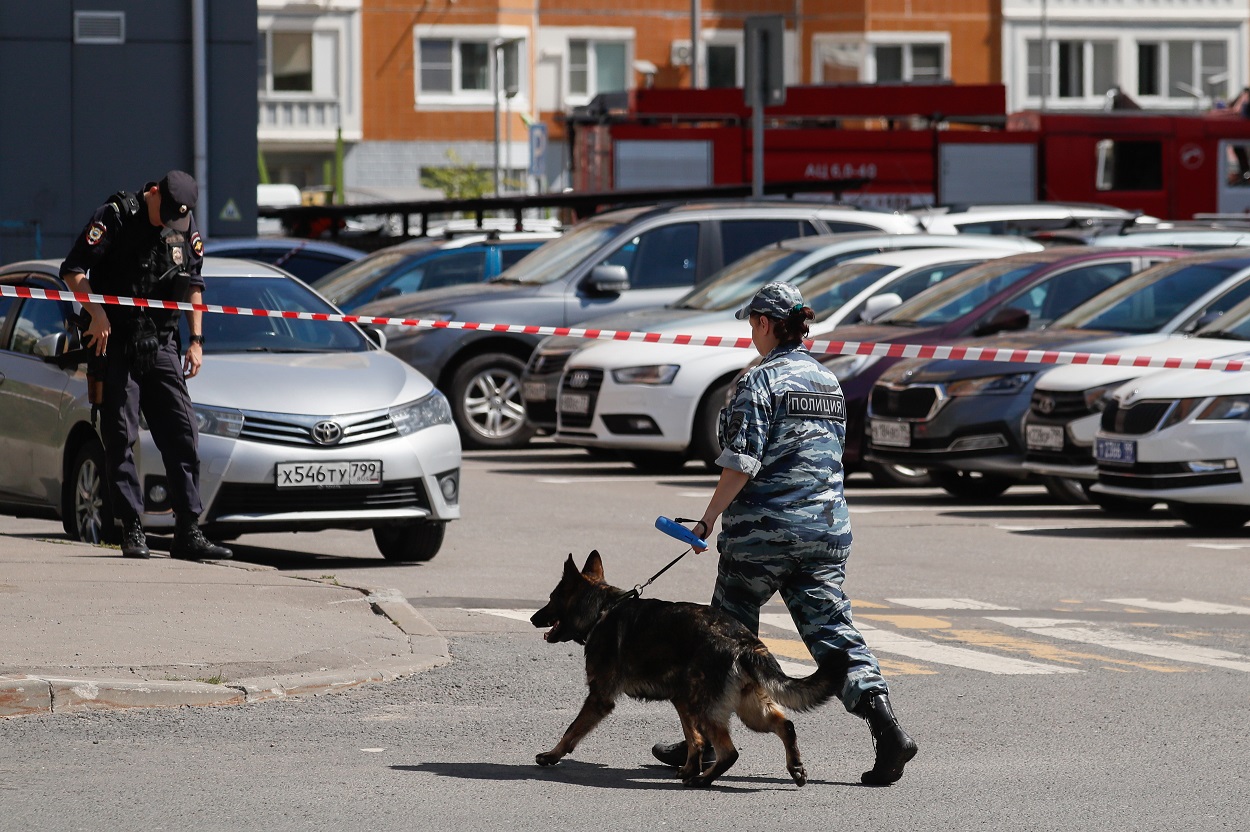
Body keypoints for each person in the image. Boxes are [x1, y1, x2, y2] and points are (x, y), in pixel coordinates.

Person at [652, 281, 917, 785]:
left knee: (724, 636)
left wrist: (706, 519)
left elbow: (741, 464)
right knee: (833, 632)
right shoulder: (827, 383)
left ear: (765, 324)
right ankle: (888, 732)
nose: (751, 334)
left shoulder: (759, 382)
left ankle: (705, 744)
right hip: (824, 530)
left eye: (752, 324)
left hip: (763, 534)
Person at [60, 170, 232, 561]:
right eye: (165, 212)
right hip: (117, 338)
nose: (169, 221)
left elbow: (193, 284)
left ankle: (188, 530)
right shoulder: (116, 214)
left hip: (163, 341)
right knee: (120, 434)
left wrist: (197, 341)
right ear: (153, 192)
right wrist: (97, 313)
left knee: (183, 431)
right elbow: (72, 270)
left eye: (177, 216)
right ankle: (131, 528)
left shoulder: (183, 223)